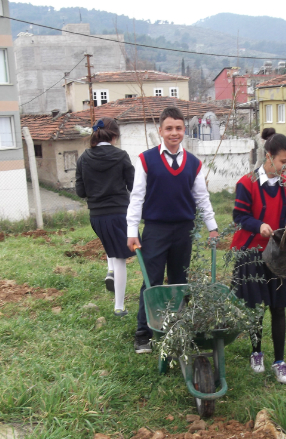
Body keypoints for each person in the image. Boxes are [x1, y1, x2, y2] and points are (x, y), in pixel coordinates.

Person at [127, 106, 219, 354]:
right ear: (160, 131)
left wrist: (212, 227)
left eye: (178, 128)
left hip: (184, 231)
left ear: (184, 131)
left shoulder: (194, 163)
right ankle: (143, 333)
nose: (174, 133)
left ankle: (176, 328)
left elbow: (202, 197)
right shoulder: (146, 159)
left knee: (180, 281)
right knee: (152, 282)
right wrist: (131, 231)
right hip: (155, 230)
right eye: (169, 128)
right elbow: (137, 197)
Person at [229, 128, 286, 384]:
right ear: (269, 156)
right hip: (252, 253)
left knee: (278, 308)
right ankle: (256, 352)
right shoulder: (246, 183)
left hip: (278, 255)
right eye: (283, 161)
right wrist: (258, 226)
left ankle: (279, 361)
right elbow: (239, 216)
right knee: (256, 307)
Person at [76, 117, 135, 316]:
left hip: (97, 218)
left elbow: (80, 192)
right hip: (120, 215)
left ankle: (109, 271)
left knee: (110, 243)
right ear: (115, 136)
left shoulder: (83, 158)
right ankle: (119, 307)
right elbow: (133, 187)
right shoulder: (121, 156)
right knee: (121, 259)